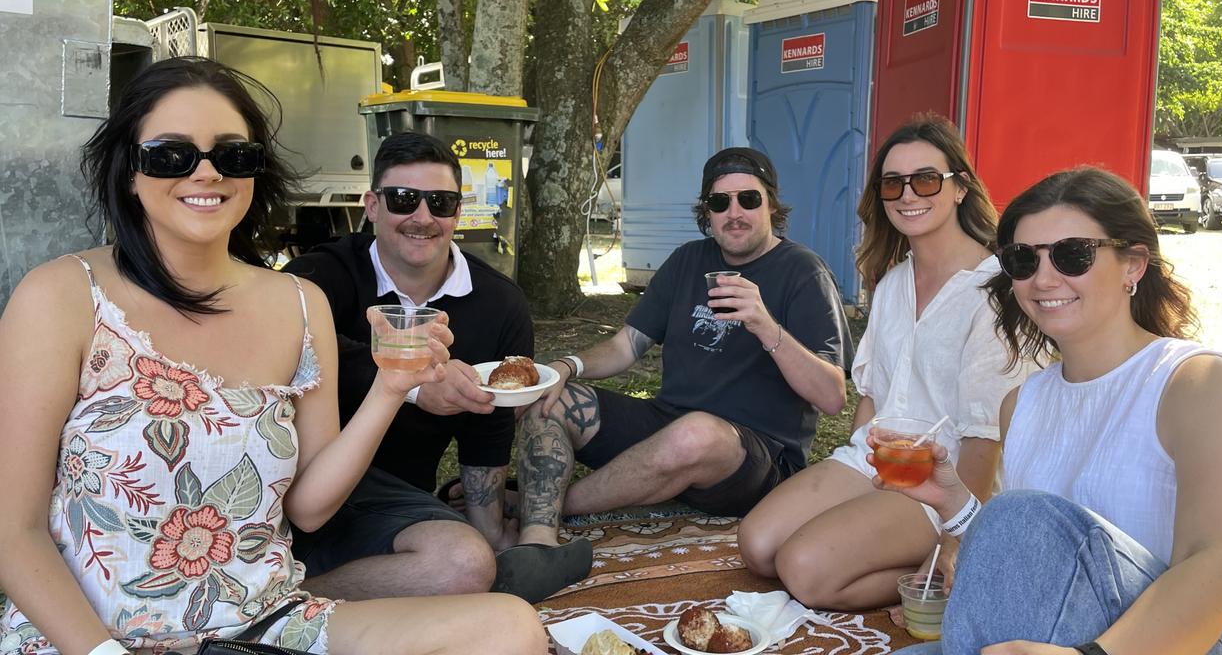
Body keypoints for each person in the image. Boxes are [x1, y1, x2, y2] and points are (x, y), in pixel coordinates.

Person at [0, 57, 546, 655]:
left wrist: (393, 388)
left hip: (260, 624)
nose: (206, 174)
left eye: (233, 155)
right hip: (94, 636)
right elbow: (13, 530)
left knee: (508, 628)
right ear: (130, 172)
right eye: (170, 155)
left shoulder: (299, 303)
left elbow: (308, 510)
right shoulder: (62, 295)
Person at [886, 168, 1222, 654]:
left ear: (1134, 264)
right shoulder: (1023, 403)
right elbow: (1055, 562)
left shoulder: (1199, 384)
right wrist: (954, 505)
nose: (1044, 278)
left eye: (1073, 255)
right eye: (1022, 259)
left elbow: (1220, 567)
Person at [506, 146, 854, 600]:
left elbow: (832, 397)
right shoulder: (689, 260)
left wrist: (764, 324)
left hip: (756, 458)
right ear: (706, 211)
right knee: (553, 398)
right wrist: (565, 367)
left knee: (696, 435)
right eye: (719, 202)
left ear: (771, 204)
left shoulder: (803, 273)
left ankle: (544, 506)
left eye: (748, 199)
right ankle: (536, 548)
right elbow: (626, 344)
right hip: (668, 423)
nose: (734, 212)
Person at [736, 114, 1034, 611]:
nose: (908, 195)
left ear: (960, 187)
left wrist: (958, 538)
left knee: (803, 569)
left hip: (946, 477)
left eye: (925, 179)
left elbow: (986, 434)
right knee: (758, 545)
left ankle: (955, 575)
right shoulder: (894, 281)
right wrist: (856, 479)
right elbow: (872, 395)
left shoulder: (994, 287)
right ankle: (879, 552)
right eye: (892, 184)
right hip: (878, 460)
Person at [283, 131, 535, 600]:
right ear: (372, 206)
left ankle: (296, 604)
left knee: (466, 561)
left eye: (440, 202)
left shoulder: (500, 303)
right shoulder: (320, 275)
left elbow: (491, 420)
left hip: (397, 503)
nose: (422, 217)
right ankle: (274, 612)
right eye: (403, 199)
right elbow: (290, 341)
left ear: (458, 212)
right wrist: (417, 387)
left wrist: (490, 528)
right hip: (292, 486)